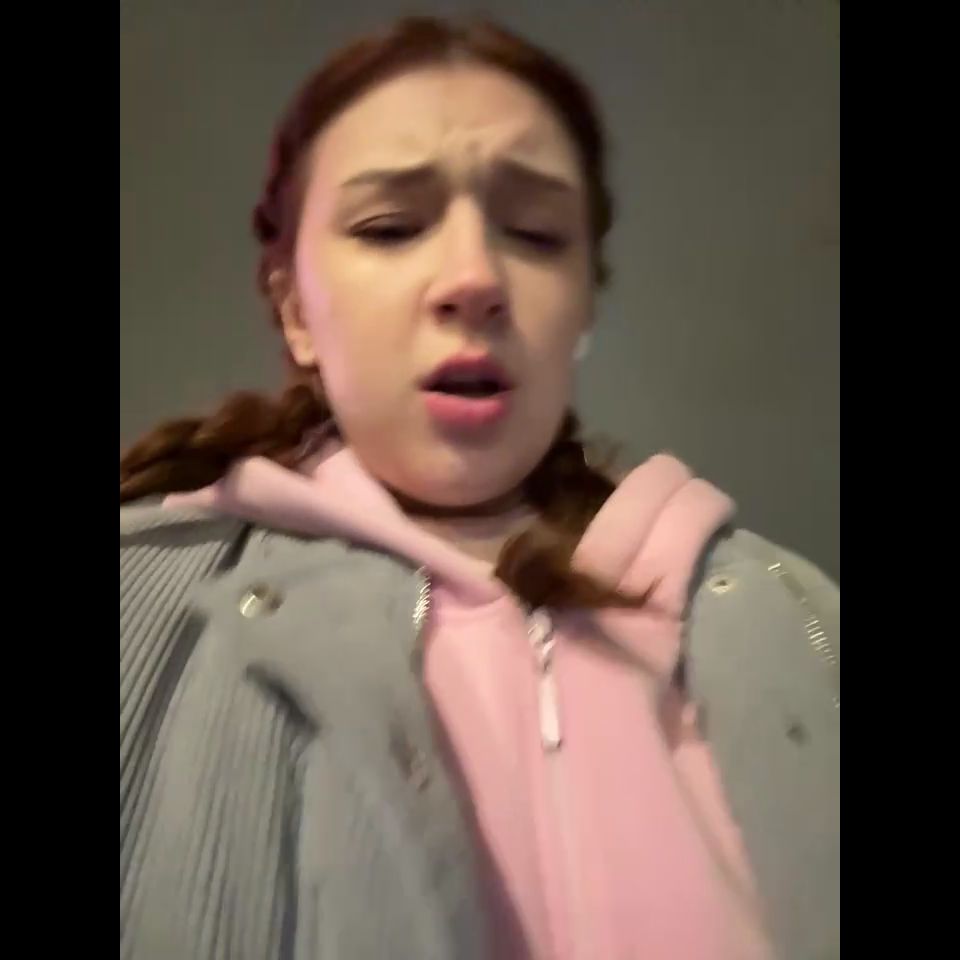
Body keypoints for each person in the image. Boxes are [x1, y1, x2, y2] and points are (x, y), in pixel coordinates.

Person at [119, 15, 839, 960]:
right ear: (295, 309)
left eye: (534, 233)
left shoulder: (802, 618)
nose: (474, 279)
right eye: (390, 227)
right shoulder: (137, 609)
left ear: (584, 303)